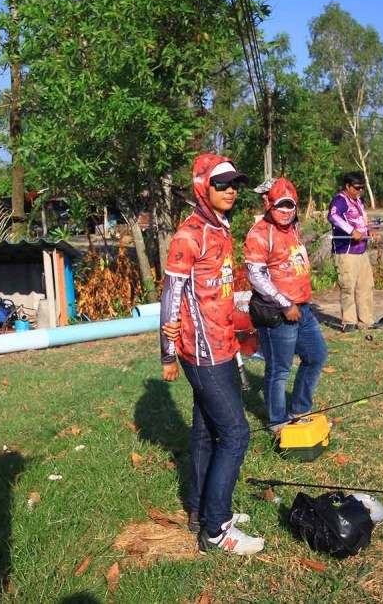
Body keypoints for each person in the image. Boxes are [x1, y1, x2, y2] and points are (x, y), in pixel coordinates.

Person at [159, 154, 265, 556]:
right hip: (202, 354)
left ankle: (201, 510)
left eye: (235, 183)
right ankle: (217, 530)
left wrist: (243, 322)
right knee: (236, 434)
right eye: (222, 184)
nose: (232, 190)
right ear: (203, 187)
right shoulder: (189, 235)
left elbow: (213, 292)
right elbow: (172, 296)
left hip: (223, 344)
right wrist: (167, 354)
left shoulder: (220, 228)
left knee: (206, 432)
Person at [244, 177, 327, 433]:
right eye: (280, 205)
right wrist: (285, 303)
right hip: (278, 314)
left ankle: (299, 409)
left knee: (316, 356)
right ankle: (277, 421)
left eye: (290, 205)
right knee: (279, 369)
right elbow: (255, 275)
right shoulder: (259, 233)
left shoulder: (293, 228)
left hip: (303, 309)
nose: (286, 211)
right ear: (268, 205)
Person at [327, 171, 380, 332]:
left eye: (362, 188)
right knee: (348, 287)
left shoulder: (359, 201)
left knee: (366, 286)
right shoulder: (340, 200)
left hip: (362, 251)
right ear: (347, 186)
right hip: (346, 252)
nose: (360, 191)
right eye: (357, 188)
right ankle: (349, 322)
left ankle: (367, 321)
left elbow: (362, 220)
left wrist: (369, 231)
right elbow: (333, 216)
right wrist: (351, 231)